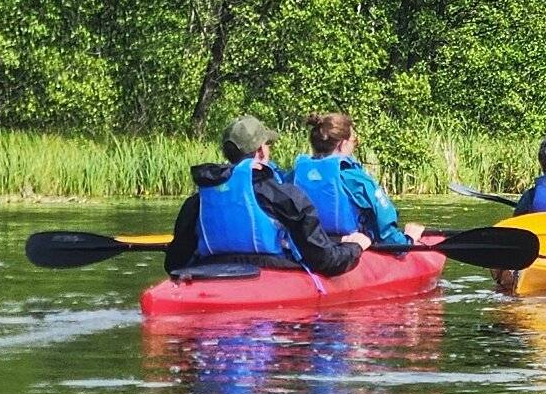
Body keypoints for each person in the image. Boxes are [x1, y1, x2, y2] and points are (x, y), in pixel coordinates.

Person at [165, 114, 367, 276]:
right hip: (272, 273)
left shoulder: (198, 201)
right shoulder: (284, 197)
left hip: (209, 270)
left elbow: (174, 263)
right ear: (261, 151)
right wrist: (353, 247)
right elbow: (324, 260)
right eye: (268, 144)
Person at [288, 112, 424, 247]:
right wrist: (408, 240)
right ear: (343, 144)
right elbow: (387, 232)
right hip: (348, 248)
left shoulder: (293, 176)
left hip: (305, 247)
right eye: (355, 141)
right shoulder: (357, 180)